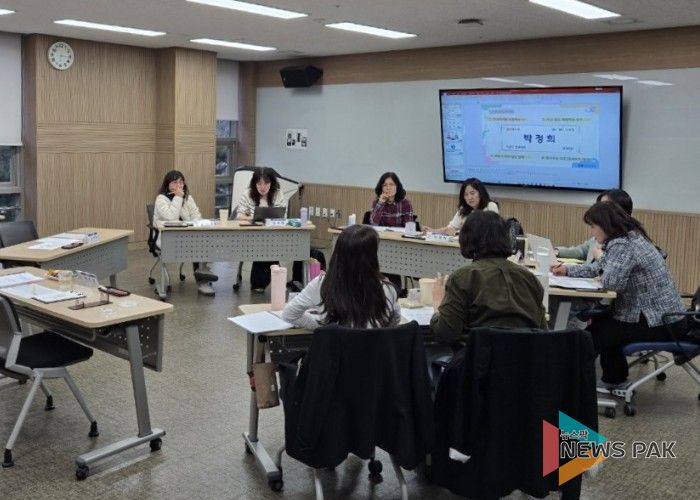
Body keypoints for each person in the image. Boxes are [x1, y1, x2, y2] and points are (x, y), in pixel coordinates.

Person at [551, 202, 687, 390]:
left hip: (662, 322)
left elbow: (612, 283)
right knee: (602, 325)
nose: (592, 232)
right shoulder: (629, 238)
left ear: (605, 224)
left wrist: (601, 272)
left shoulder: (622, 244)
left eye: (593, 226)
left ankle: (573, 385)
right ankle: (614, 380)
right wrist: (567, 270)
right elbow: (600, 267)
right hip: (666, 318)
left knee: (595, 334)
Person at [430, 211, 547, 346]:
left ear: (466, 239)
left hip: (479, 357)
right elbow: (543, 334)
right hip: (525, 357)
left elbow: (445, 334)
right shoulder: (530, 279)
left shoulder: (463, 278)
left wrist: (438, 305)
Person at [282, 225, 401, 330]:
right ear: (372, 258)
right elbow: (395, 320)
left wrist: (322, 327)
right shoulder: (388, 289)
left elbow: (289, 314)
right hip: (374, 349)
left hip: (333, 348)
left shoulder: (321, 284)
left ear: (337, 253)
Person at [153, 170, 218, 296]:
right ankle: (202, 273)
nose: (179, 185)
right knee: (198, 247)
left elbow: (196, 216)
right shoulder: (161, 199)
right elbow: (171, 217)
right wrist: (178, 197)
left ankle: (203, 277)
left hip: (188, 237)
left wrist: (195, 224)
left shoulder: (188, 198)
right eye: (174, 182)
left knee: (204, 243)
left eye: (181, 182)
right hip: (168, 239)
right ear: (167, 184)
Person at [236, 167, 286, 292]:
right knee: (264, 245)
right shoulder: (248, 194)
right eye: (259, 184)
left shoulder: (278, 193)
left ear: (272, 183)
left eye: (266, 183)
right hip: (252, 235)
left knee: (269, 244)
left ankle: (260, 282)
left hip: (273, 234)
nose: (262, 187)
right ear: (254, 184)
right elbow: (239, 215)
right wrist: (254, 218)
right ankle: (265, 280)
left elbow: (283, 216)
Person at [555, 189, 633, 263]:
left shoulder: (625, 244)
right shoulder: (601, 234)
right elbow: (581, 250)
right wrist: (556, 252)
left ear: (620, 211)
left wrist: (600, 257)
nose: (600, 211)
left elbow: (611, 270)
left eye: (605, 207)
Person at [425, 177, 498, 235]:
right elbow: (450, 229)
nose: (469, 197)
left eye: (472, 193)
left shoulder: (490, 206)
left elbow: (491, 232)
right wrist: (431, 230)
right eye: (466, 195)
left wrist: (459, 233)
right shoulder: (463, 209)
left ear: (480, 193)